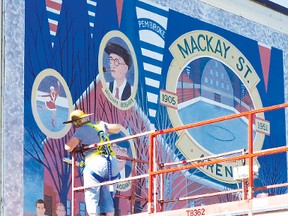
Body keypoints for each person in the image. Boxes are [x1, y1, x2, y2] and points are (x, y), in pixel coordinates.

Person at [64, 109, 121, 216]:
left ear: (76, 122)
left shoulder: (81, 131)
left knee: (91, 193)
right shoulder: (100, 125)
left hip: (96, 163)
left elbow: (69, 147)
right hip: (112, 163)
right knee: (108, 195)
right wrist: (105, 128)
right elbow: (117, 128)